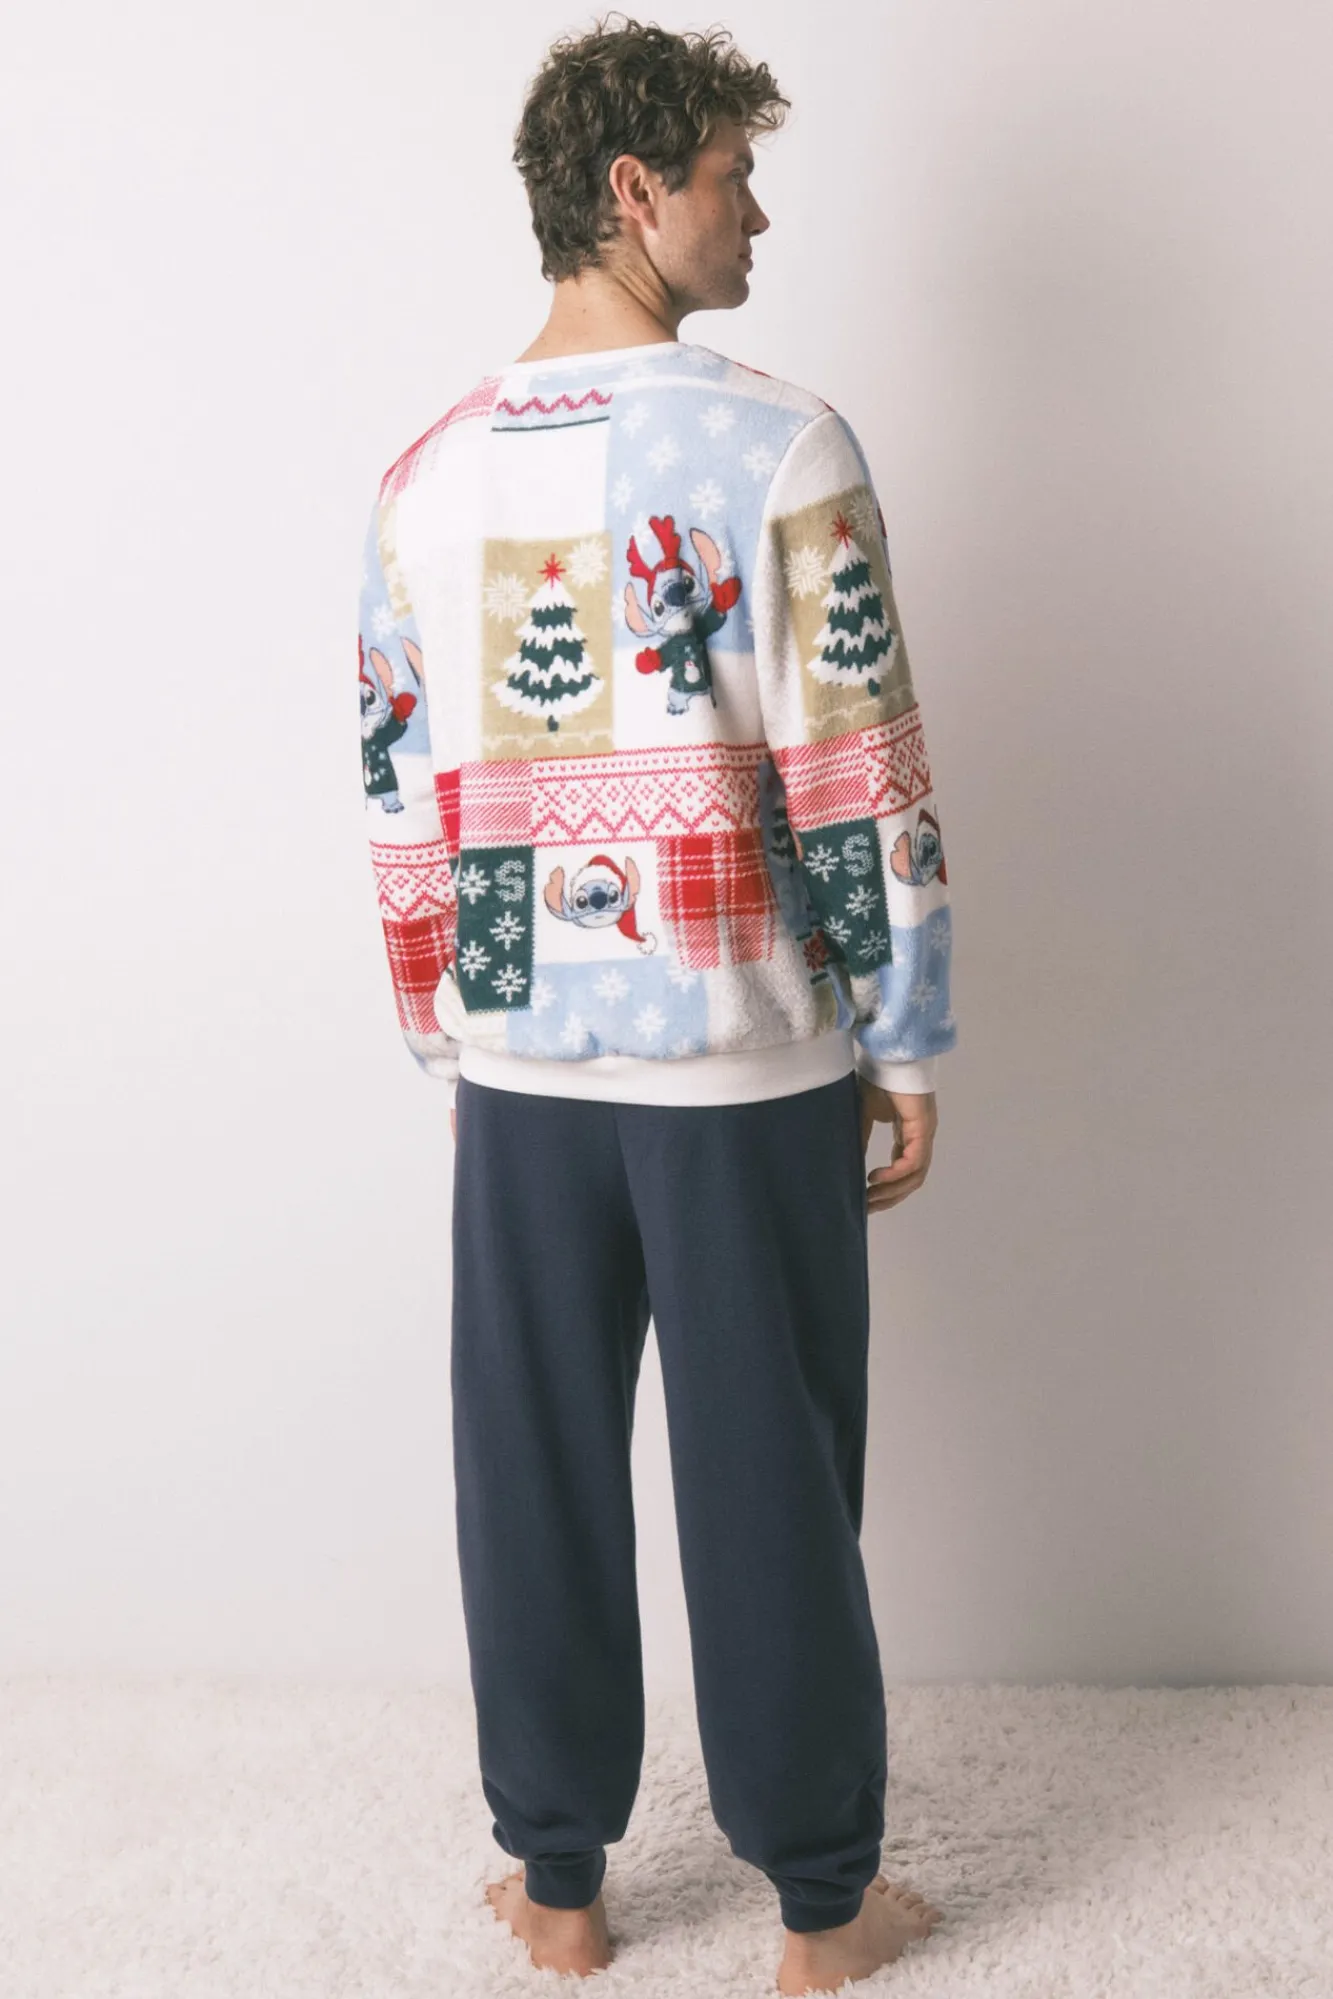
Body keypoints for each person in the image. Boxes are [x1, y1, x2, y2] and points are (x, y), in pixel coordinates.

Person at [355, 15, 953, 1992]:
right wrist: (905, 1033)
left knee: (526, 1465)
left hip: (521, 1075)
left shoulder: (423, 479)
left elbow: (402, 796)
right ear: (636, 192)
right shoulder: (782, 445)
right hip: (745, 1062)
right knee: (767, 1472)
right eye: (729, 176)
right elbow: (856, 770)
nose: (754, 213)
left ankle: (561, 1887)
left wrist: (451, 1031)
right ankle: (822, 1913)